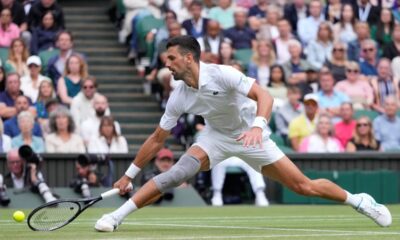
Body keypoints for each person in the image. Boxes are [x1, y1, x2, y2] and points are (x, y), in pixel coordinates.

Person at [94, 36, 392, 232]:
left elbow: (265, 96)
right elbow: (157, 138)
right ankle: (116, 217)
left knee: (304, 187)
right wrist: (130, 175)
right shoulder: (179, 95)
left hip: (254, 135)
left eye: (171, 58)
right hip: (215, 138)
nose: (166, 64)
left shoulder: (223, 73)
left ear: (188, 58)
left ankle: (360, 201)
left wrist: (257, 127)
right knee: (177, 173)